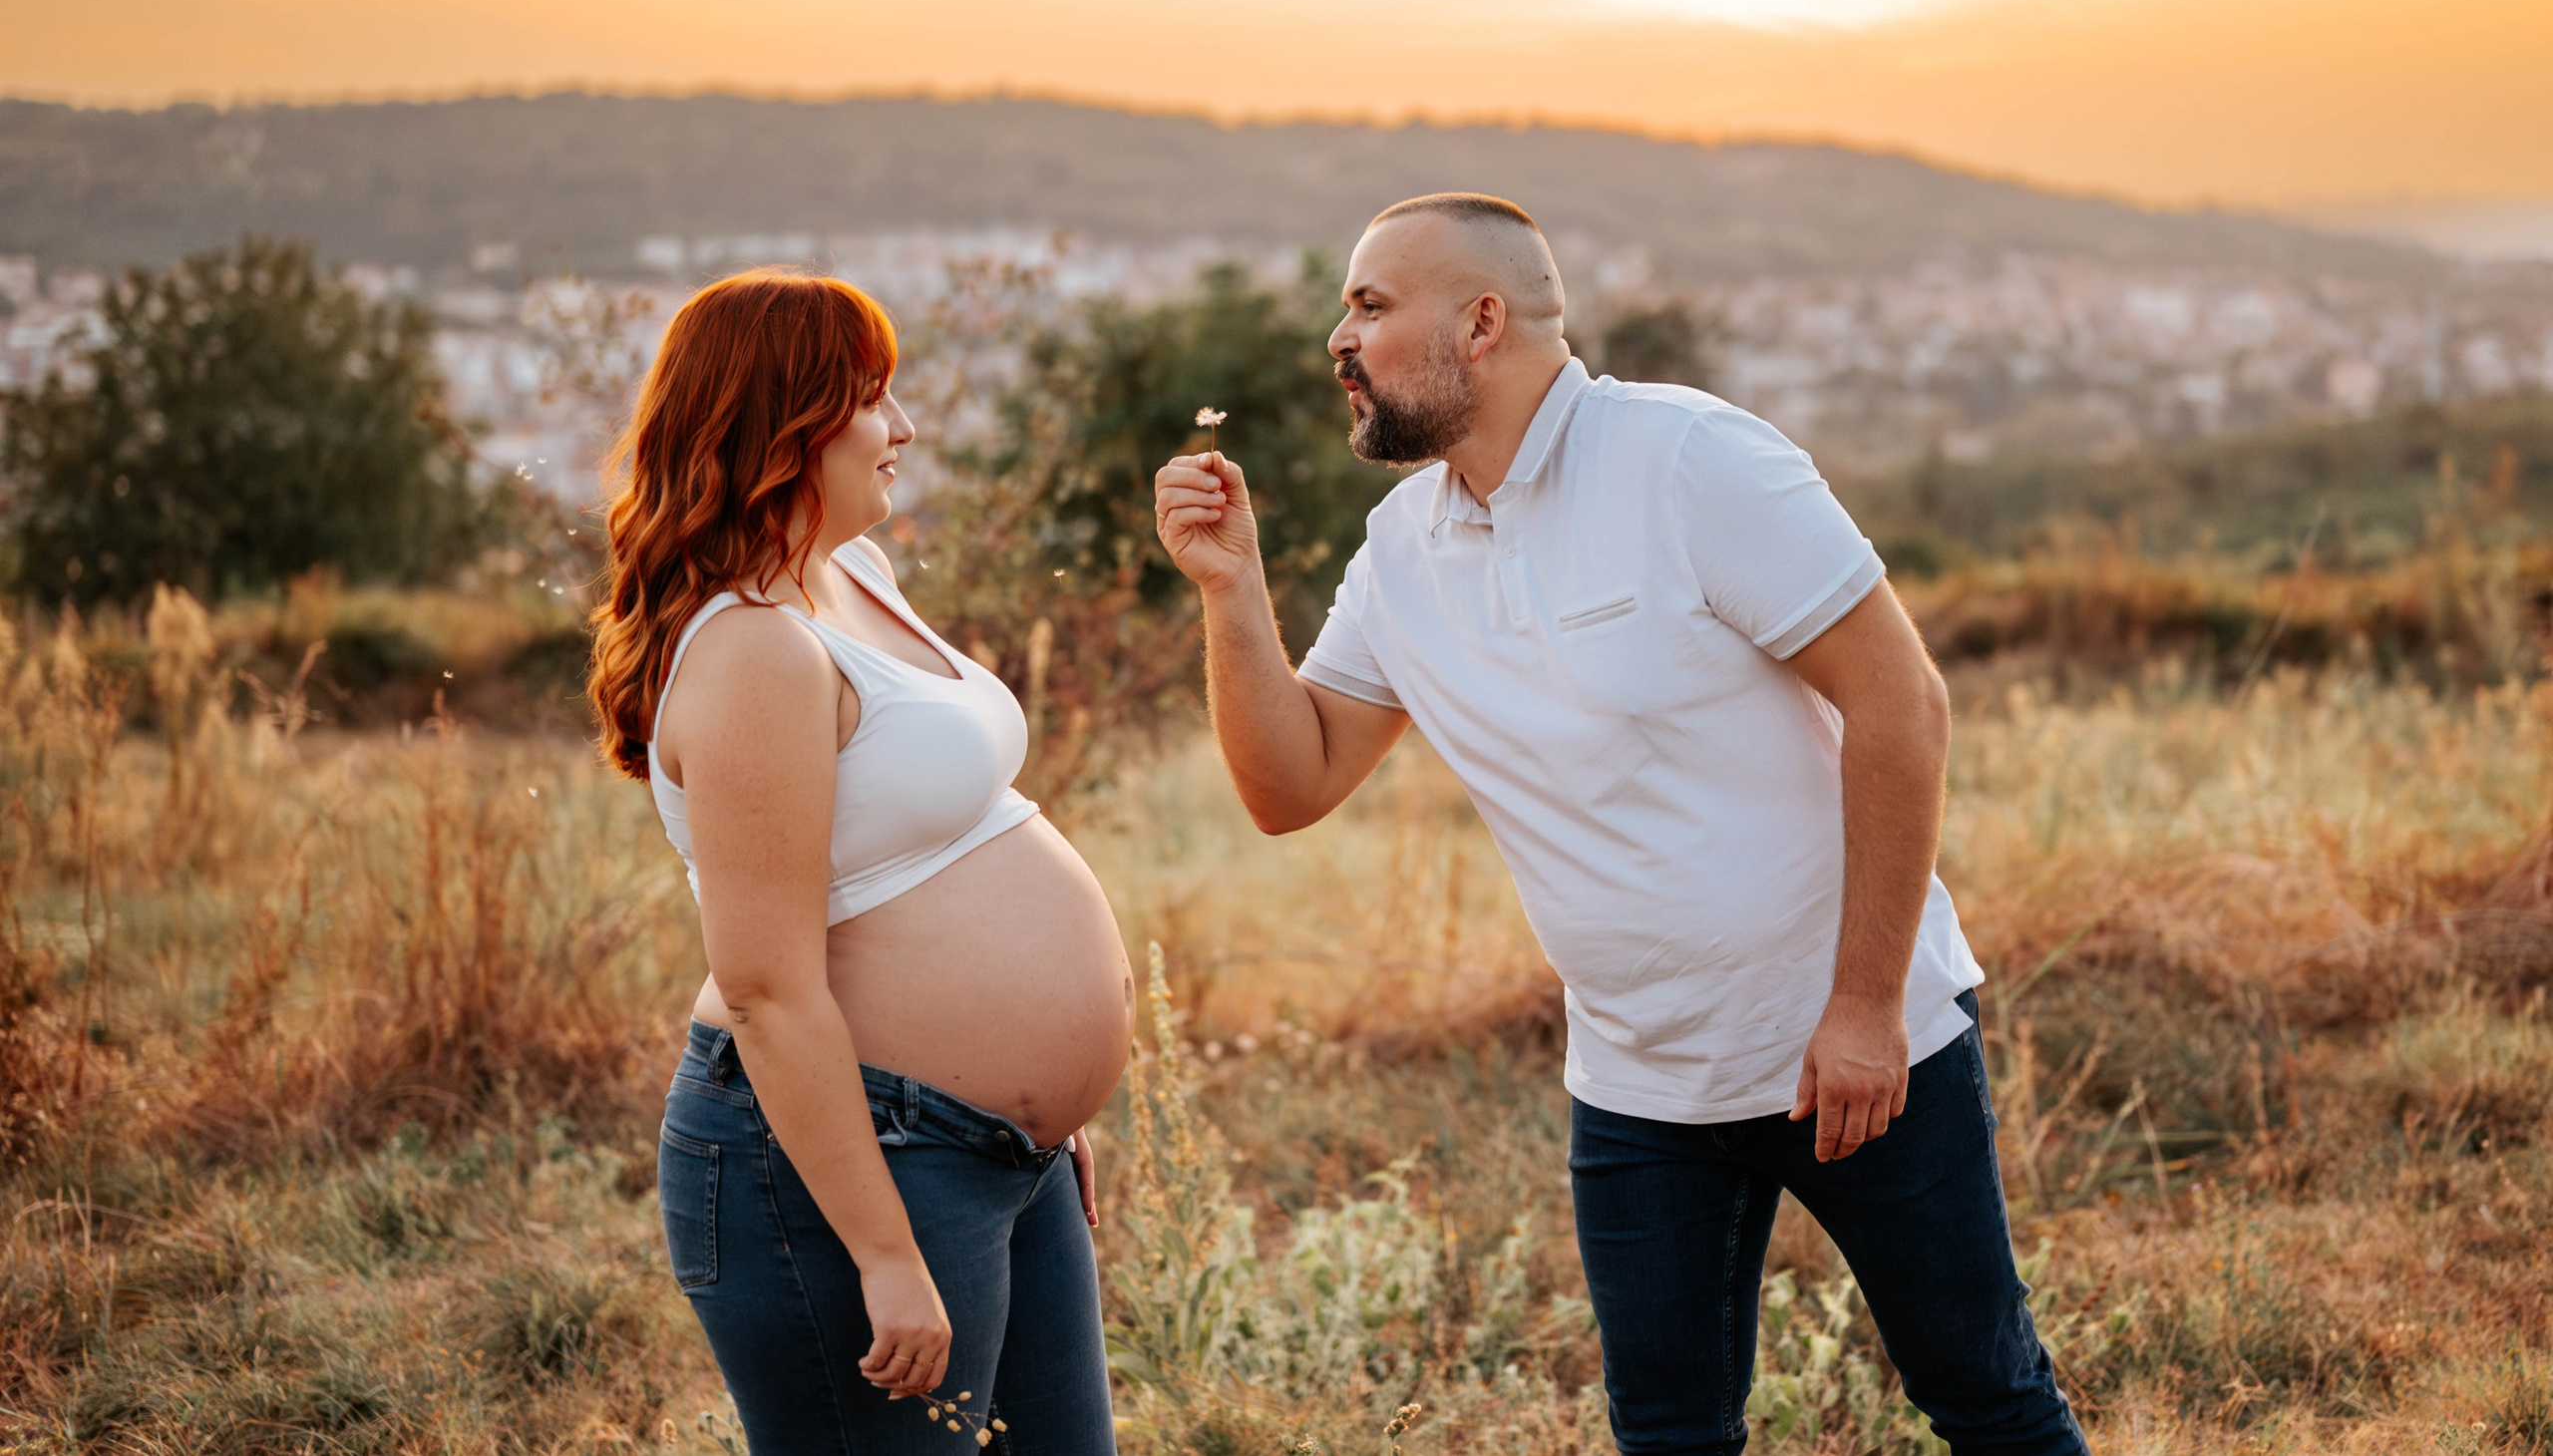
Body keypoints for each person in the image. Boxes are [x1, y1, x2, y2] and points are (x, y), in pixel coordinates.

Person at [1151, 195, 2088, 1455]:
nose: (1340, 338)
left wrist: (1864, 1006)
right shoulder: (1400, 552)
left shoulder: (1690, 459)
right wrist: (1231, 591)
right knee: (1665, 1434)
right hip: (1640, 1084)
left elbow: (1900, 705)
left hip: (1863, 1053)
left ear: (1481, 321)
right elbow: (1291, 786)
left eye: (1370, 305)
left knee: (1983, 1397)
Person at [589, 271, 1131, 1456]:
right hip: (863, 1166)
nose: (905, 429)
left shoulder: (851, 581)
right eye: (872, 399)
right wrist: (885, 1253)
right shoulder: (751, 655)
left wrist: (1036, 1114)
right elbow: (768, 987)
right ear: (783, 425)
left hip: (991, 1155)